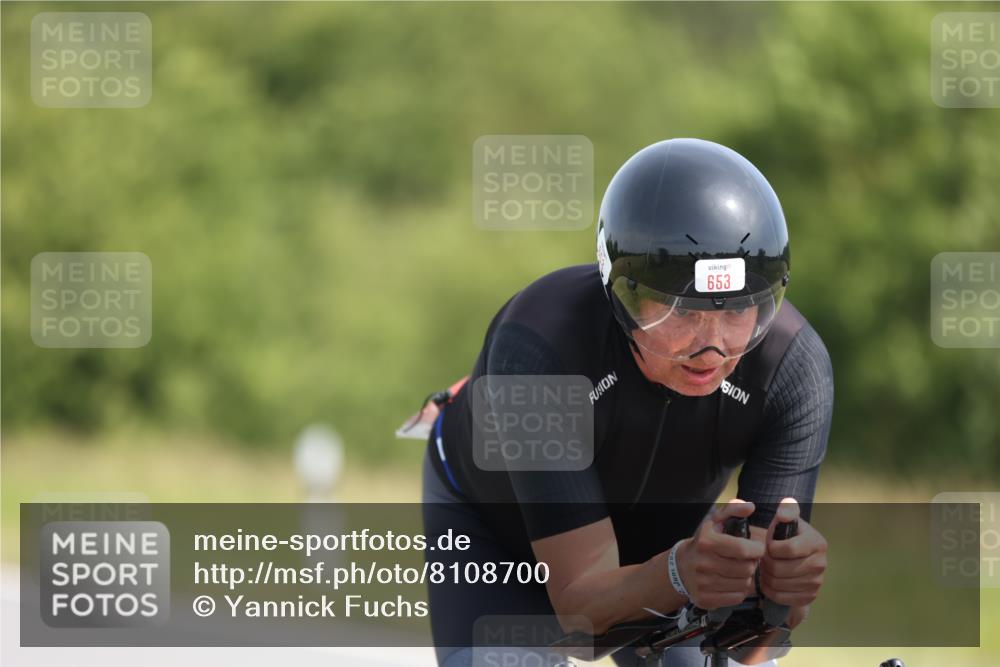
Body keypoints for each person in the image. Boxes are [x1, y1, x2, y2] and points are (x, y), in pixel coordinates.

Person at [420, 138, 833, 666]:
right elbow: (583, 625)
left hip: (664, 544)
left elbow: (752, 642)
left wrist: (786, 598)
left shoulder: (794, 368)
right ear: (623, 294)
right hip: (500, 538)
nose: (712, 347)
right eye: (682, 313)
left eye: (736, 310)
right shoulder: (541, 346)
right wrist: (681, 572)